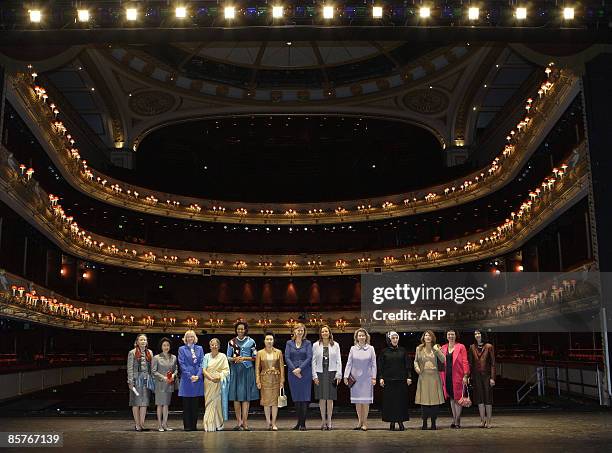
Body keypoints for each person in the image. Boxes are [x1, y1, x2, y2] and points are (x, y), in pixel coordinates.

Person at [227, 321, 259, 431]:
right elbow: (228, 357)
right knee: (236, 397)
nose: (240, 331)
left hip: (247, 370)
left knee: (246, 397)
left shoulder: (251, 341)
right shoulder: (231, 342)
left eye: (242, 329)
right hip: (235, 370)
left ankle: (245, 422)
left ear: (245, 330)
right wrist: (235, 359)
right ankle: (239, 422)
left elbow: (255, 357)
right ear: (236, 330)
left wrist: (244, 358)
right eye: (238, 329)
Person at [343, 327, 376, 431]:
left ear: (366, 337)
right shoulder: (353, 349)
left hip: (367, 378)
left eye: (363, 335)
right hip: (355, 379)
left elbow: (373, 364)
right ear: (356, 337)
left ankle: (365, 423)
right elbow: (349, 363)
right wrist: (345, 376)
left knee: (365, 402)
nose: (361, 337)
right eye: (359, 335)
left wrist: (374, 377)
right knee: (358, 402)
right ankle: (359, 421)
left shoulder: (371, 348)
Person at [378, 331, 412, 431]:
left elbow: (408, 365)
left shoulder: (403, 351)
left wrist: (409, 377)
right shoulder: (384, 352)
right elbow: (381, 366)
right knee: (390, 403)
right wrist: (381, 378)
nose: (395, 340)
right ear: (389, 339)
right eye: (393, 338)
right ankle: (392, 422)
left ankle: (401, 422)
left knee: (400, 402)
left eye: (396, 338)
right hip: (388, 381)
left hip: (401, 380)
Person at [414, 330, 445, 430]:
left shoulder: (436, 347)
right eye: (426, 335)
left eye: (429, 335)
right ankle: (424, 422)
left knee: (434, 402)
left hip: (434, 377)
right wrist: (417, 368)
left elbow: (443, 360)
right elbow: (416, 361)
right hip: (423, 377)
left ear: (432, 337)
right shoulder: (419, 348)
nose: (427, 337)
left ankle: (433, 422)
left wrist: (437, 350)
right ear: (423, 337)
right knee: (424, 402)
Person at [312, 325, 342, 430]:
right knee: (322, 398)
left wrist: (339, 375)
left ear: (329, 333)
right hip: (320, 373)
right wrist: (314, 375)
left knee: (330, 398)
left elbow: (339, 360)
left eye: (326, 331)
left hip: (332, 373)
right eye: (323, 331)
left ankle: (329, 421)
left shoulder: (336, 345)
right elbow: (313, 361)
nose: (324, 333)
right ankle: (323, 421)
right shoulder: (316, 345)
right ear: (320, 333)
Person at [285, 322, 313, 430]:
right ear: (294, 331)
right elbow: (287, 357)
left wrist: (300, 368)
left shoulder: (308, 343)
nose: (300, 332)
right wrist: (294, 369)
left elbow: (309, 357)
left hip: (305, 373)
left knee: (304, 398)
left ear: (304, 332)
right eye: (298, 330)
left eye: (302, 330)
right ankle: (298, 423)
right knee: (296, 398)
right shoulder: (289, 343)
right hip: (292, 374)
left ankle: (303, 424)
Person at [255, 331, 285, 431]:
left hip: (276, 379)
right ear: (264, 341)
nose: (269, 341)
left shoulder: (279, 352)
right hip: (264, 380)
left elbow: (281, 367)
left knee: (275, 402)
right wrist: (258, 381)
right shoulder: (260, 353)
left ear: (273, 341)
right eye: (267, 339)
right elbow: (257, 368)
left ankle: (274, 423)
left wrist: (282, 381)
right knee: (266, 402)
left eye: (271, 339)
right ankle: (268, 422)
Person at [440, 329, 469, 429]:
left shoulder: (461, 347)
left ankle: (457, 421)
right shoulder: (443, 347)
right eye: (449, 334)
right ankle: (455, 418)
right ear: (446, 336)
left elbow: (465, 361)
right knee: (452, 398)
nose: (451, 336)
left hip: (458, 376)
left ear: (456, 336)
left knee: (458, 398)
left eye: (452, 334)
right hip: (447, 376)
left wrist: (466, 375)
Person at [468, 329, 496, 428]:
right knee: (479, 398)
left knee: (488, 398)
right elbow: (470, 364)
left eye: (479, 333)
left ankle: (489, 421)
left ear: (482, 334)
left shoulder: (489, 346)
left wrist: (492, 378)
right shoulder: (472, 347)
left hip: (487, 376)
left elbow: (493, 363)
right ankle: (482, 420)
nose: (477, 335)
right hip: (476, 377)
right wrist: (467, 376)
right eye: (475, 334)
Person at [202, 338, 230, 432]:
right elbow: (204, 370)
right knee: (209, 403)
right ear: (210, 346)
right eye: (212, 344)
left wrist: (219, 377)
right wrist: (210, 378)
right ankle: (209, 424)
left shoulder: (223, 356)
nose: (214, 346)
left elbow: (226, 370)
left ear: (219, 346)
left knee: (217, 403)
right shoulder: (206, 356)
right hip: (209, 382)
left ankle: (218, 424)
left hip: (218, 382)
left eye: (216, 344)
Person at [178, 330, 204, 431]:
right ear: (185, 338)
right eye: (188, 337)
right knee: (186, 404)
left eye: (192, 337)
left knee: (195, 404)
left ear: (195, 338)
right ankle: (187, 426)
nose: (190, 339)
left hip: (197, 378)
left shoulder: (200, 348)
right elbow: (181, 363)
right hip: (186, 379)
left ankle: (194, 426)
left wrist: (198, 375)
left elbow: (202, 362)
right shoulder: (182, 349)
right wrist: (190, 376)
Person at [127, 334, 153, 431]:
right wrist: (130, 381)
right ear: (137, 342)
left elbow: (152, 368)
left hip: (147, 380)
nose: (143, 341)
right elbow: (129, 368)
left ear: (147, 342)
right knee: (136, 402)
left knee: (144, 402)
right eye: (141, 340)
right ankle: (137, 424)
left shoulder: (150, 352)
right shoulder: (132, 353)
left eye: (144, 340)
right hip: (136, 380)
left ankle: (142, 424)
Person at [151, 337, 178, 432]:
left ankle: (165, 424)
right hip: (160, 384)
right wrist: (163, 377)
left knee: (166, 405)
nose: (166, 347)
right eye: (164, 345)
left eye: (168, 345)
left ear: (170, 347)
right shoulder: (156, 357)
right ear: (161, 347)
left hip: (169, 384)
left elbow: (176, 369)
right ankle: (159, 425)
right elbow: (153, 371)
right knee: (160, 405)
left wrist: (173, 375)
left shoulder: (174, 357)